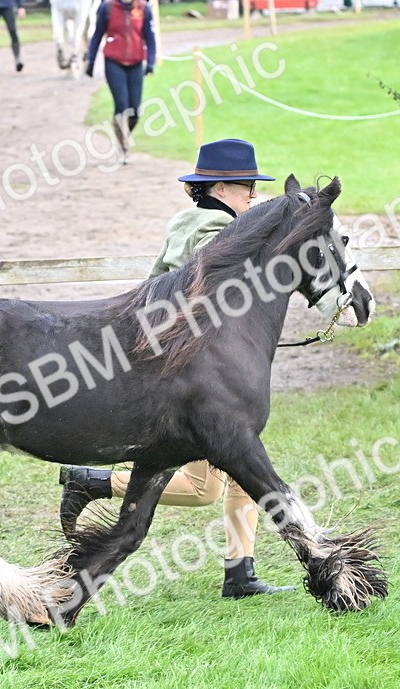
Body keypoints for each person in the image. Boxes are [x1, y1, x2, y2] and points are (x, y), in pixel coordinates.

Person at [57, 139, 293, 600]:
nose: (254, 196)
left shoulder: (190, 221)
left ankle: (240, 570)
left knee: (246, 467)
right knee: (205, 488)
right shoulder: (215, 231)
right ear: (221, 188)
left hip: (189, 369)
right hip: (194, 381)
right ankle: (92, 481)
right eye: (248, 187)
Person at [85, 0, 156, 164]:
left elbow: (150, 37)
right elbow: (97, 35)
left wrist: (150, 62)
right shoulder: (108, 8)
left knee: (135, 109)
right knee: (122, 103)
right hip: (114, 62)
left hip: (136, 63)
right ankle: (123, 146)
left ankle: (124, 134)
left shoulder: (143, 8)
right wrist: (91, 61)